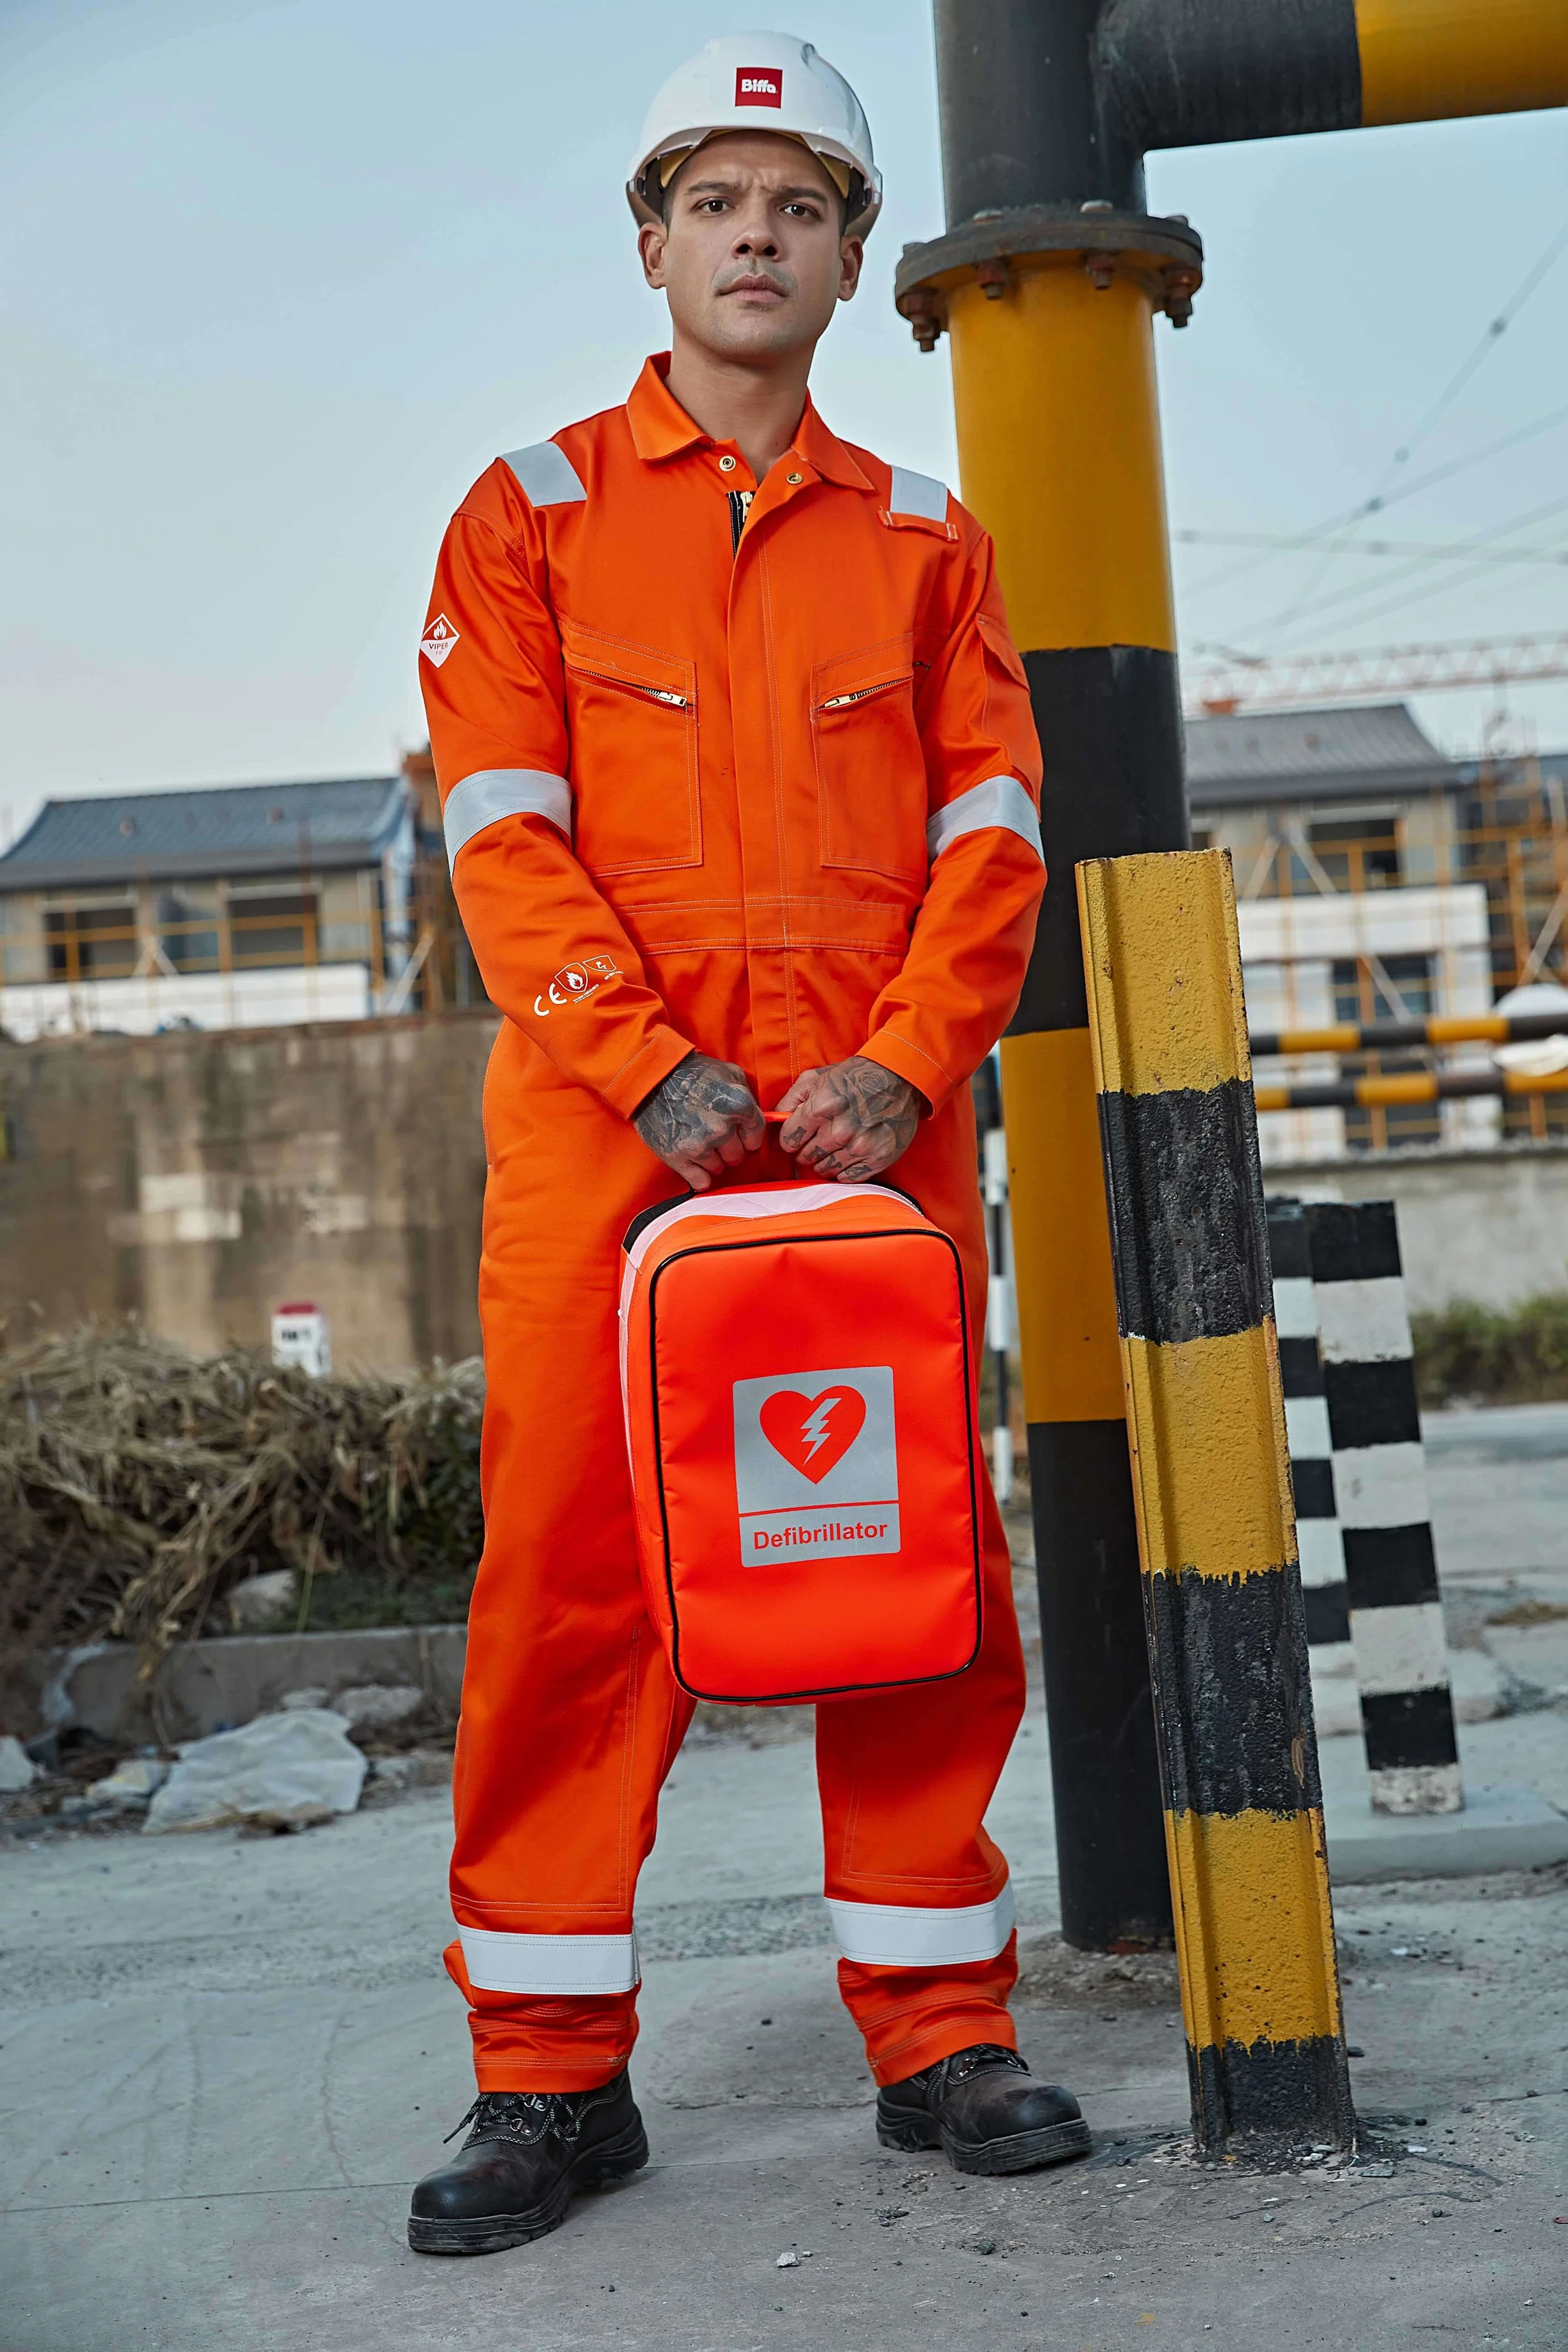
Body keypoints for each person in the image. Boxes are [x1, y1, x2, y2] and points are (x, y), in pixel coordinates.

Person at [408, 31, 1086, 2257]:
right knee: (570, 1589)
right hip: (614, 1141)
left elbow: (994, 831)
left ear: (853, 253)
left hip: (869, 1120)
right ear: (653, 242)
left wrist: (907, 1054)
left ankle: (936, 2028)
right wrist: (635, 1056)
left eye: (799, 204)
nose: (757, 236)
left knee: (907, 1582)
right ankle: (546, 2081)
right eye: (718, 200)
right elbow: (497, 828)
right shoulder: (525, 512)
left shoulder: (925, 543)